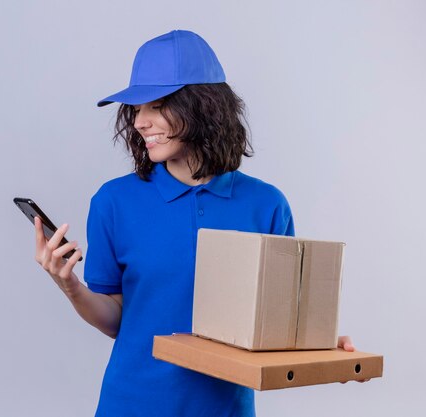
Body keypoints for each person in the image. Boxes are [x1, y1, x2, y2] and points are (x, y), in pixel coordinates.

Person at [34, 30, 358, 417]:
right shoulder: (113, 202)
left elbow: (273, 328)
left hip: (226, 409)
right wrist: (68, 283)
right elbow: (115, 319)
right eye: (136, 109)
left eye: (156, 105)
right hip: (131, 405)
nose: (140, 121)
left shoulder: (266, 205)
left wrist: (317, 348)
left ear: (202, 107)